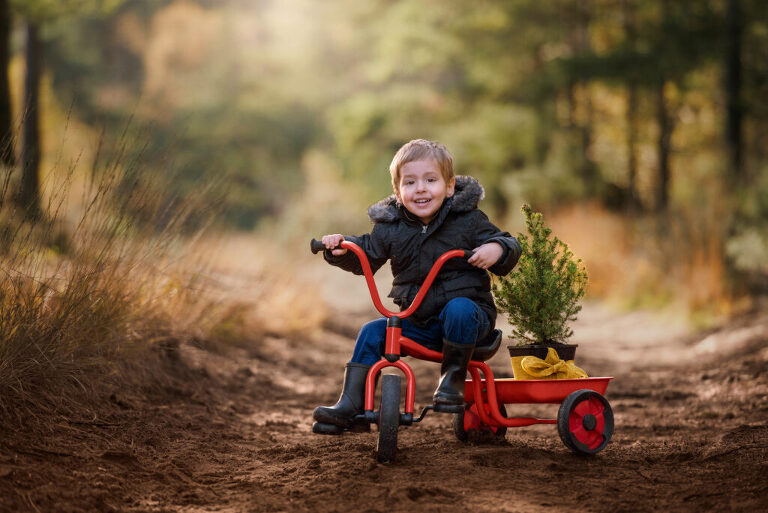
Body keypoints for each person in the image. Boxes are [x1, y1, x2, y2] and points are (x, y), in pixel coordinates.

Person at [313, 139, 521, 433]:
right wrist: (341, 249)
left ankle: (452, 381)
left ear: (449, 187)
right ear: (398, 192)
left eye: (430, 180)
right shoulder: (390, 227)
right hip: (420, 322)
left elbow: (508, 241)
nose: (421, 188)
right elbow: (368, 254)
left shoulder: (469, 220)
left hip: (469, 323)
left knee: (459, 308)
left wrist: (497, 249)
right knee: (372, 332)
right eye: (410, 182)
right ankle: (352, 406)